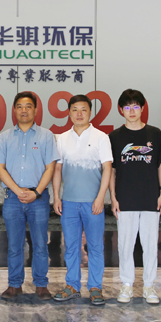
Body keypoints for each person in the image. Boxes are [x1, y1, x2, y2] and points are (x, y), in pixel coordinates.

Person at [0, 92, 58, 301]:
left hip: (38, 199)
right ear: (14, 110)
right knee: (14, 245)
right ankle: (14, 284)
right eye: (20, 106)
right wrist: (17, 191)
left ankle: (41, 284)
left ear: (36, 110)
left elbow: (50, 168)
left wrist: (36, 192)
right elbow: (0, 168)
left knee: (40, 244)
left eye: (28, 106)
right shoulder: (5, 137)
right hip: (13, 198)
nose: (24, 110)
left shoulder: (46, 136)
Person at [52, 94, 112, 305]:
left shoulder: (101, 137)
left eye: (83, 110)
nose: (79, 114)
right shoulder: (62, 138)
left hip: (93, 202)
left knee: (95, 247)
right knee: (71, 247)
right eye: (75, 110)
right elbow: (57, 169)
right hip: (68, 202)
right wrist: (56, 196)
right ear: (69, 113)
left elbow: (107, 169)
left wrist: (100, 197)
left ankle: (95, 287)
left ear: (90, 112)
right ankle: (72, 286)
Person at [109, 89, 161, 304]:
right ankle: (126, 285)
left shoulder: (154, 133)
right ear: (121, 110)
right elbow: (111, 170)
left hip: (151, 196)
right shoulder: (114, 137)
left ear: (142, 108)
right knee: (125, 245)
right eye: (127, 107)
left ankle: (149, 286)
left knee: (150, 245)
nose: (131, 111)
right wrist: (113, 197)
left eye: (135, 106)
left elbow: (160, 164)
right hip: (125, 198)